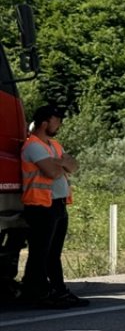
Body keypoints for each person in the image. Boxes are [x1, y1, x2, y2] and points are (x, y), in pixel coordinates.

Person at [19, 105, 86, 309]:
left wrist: (62, 163)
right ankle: (39, 292)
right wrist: (62, 163)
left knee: (52, 252)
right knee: (41, 252)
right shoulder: (33, 146)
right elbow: (52, 172)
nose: (60, 124)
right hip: (40, 205)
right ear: (44, 123)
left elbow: (74, 166)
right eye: (57, 120)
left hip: (57, 204)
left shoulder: (54, 145)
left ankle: (57, 291)